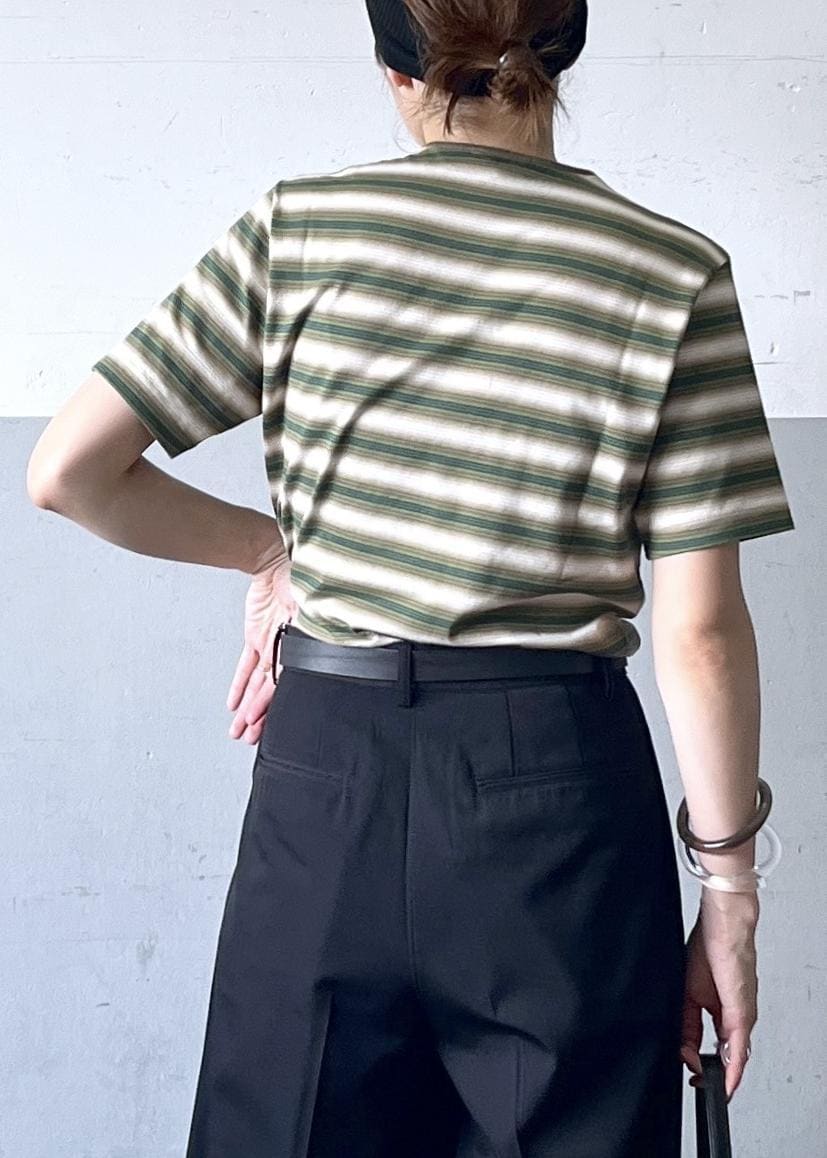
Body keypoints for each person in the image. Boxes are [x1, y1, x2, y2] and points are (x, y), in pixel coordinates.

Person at [27, 0, 795, 1154]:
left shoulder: (298, 231)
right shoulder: (668, 271)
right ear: (563, 49)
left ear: (393, 68)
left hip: (325, 769)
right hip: (558, 795)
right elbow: (698, 635)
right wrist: (728, 896)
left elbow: (67, 471)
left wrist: (270, 551)